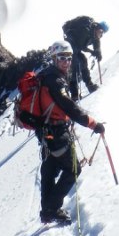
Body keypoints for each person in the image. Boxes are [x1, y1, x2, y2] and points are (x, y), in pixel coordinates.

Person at [36, 41, 105, 224]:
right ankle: (52, 208)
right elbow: (70, 107)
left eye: (68, 58)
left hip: (45, 132)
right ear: (54, 59)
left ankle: (47, 211)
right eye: (62, 58)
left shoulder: (45, 76)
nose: (66, 62)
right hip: (57, 133)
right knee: (74, 169)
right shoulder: (56, 81)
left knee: (49, 170)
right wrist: (93, 124)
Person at [62, 16, 108, 97]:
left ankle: (89, 85)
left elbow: (97, 44)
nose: (101, 34)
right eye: (101, 31)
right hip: (71, 45)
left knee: (83, 60)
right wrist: (92, 52)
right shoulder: (85, 31)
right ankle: (75, 94)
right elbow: (81, 46)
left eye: (102, 33)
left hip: (76, 47)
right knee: (76, 65)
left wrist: (98, 52)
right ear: (97, 27)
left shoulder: (94, 34)